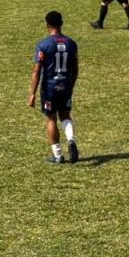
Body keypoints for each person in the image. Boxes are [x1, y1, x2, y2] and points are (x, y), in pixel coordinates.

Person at [27, 10, 80, 164]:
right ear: (61, 24)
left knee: (51, 119)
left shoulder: (43, 45)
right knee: (65, 115)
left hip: (50, 87)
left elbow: (37, 71)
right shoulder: (71, 43)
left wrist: (32, 93)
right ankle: (70, 139)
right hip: (66, 84)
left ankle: (58, 155)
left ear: (47, 25)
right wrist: (71, 85)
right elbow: (75, 69)